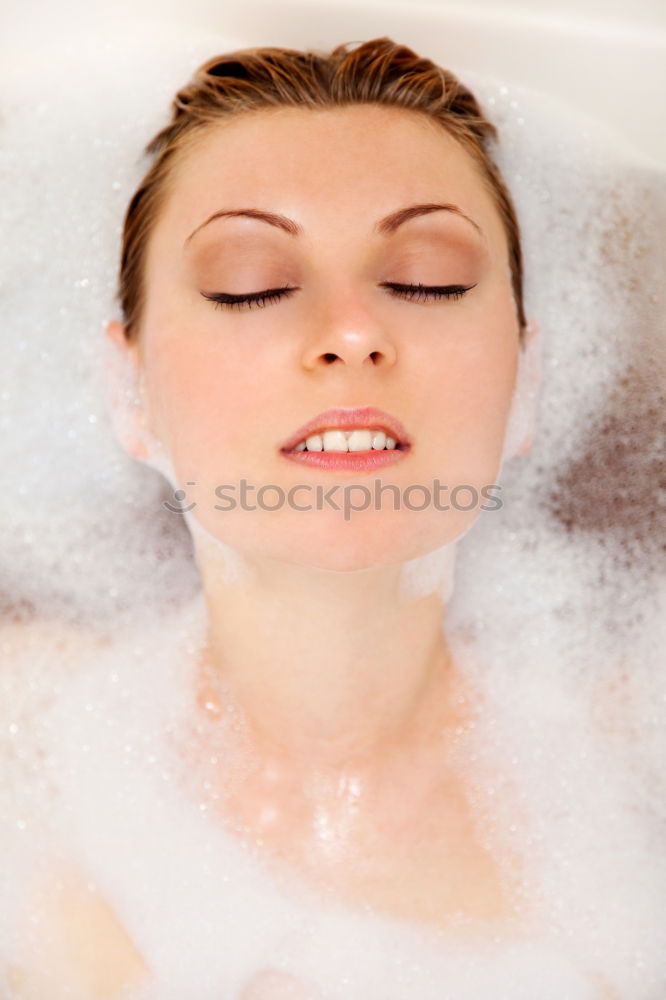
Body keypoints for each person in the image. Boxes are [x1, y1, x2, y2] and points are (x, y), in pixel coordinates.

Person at [8, 35, 621, 1000]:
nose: (351, 333)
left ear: (529, 380)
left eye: (426, 278)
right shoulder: (22, 763)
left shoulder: (633, 790)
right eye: (250, 283)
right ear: (129, 388)